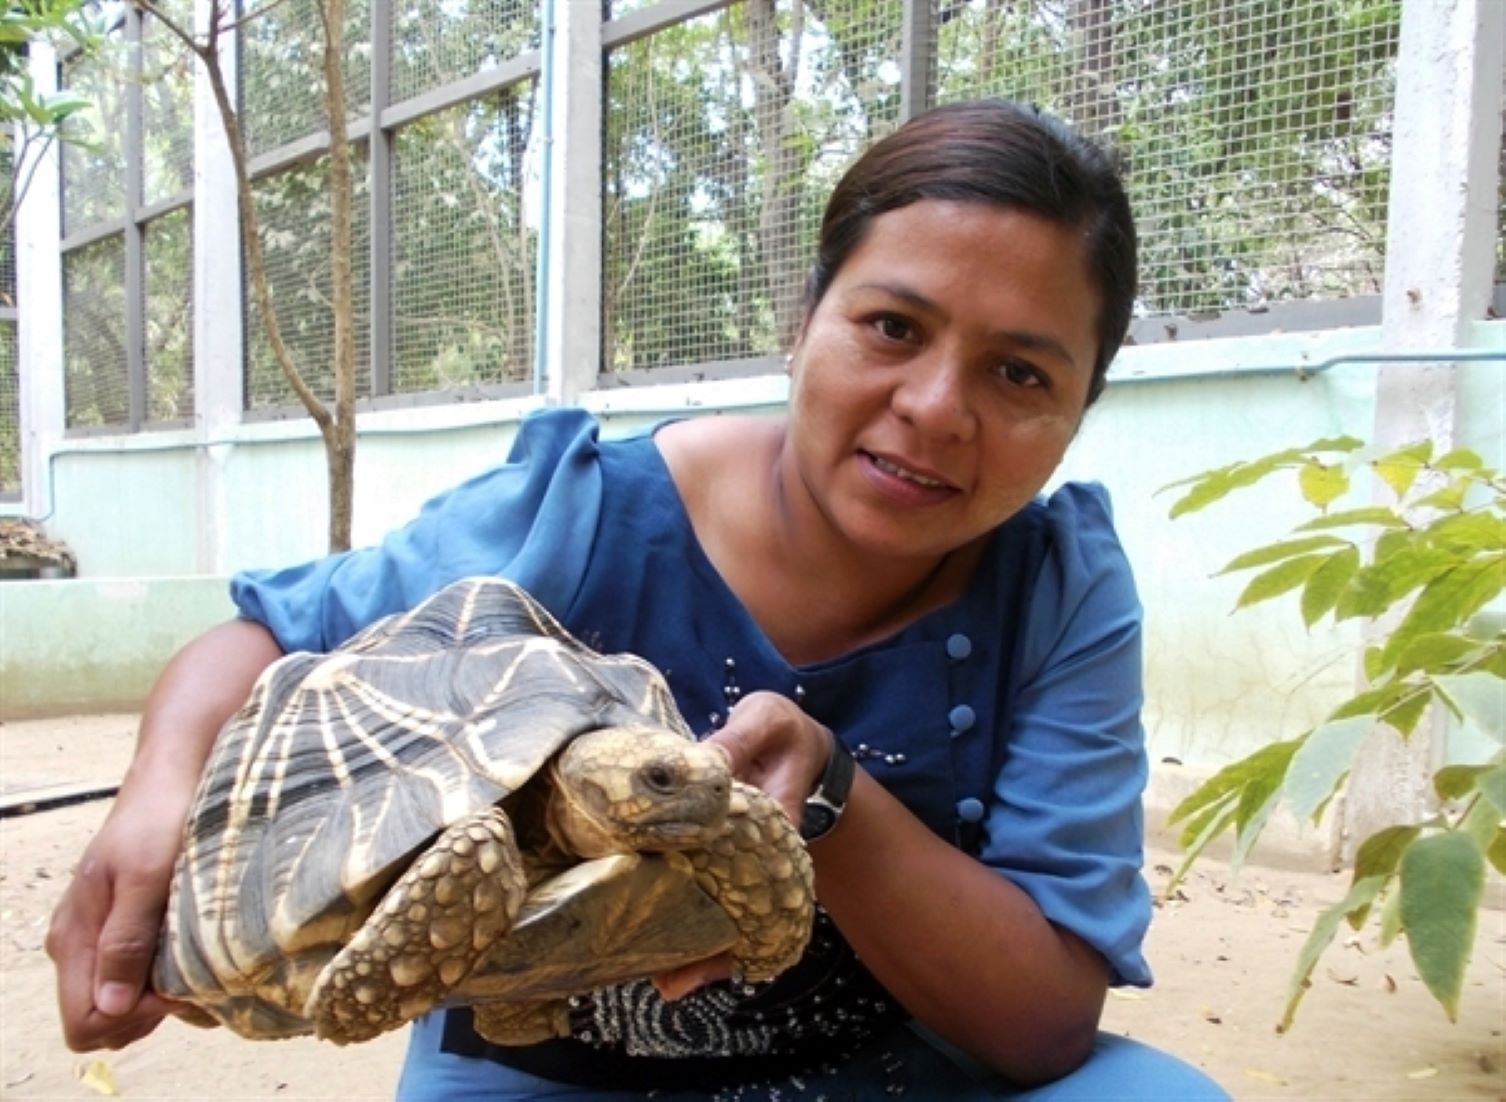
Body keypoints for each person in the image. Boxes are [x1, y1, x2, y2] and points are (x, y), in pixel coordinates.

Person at [48, 99, 1229, 1100]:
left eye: (1020, 372)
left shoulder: (1056, 585)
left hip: (887, 1056)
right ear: (805, 318)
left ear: (1081, 411)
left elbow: (1038, 1024)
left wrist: (828, 798)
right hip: (549, 1057)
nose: (935, 405)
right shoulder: (577, 516)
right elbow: (259, 638)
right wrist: (154, 803)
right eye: (891, 326)